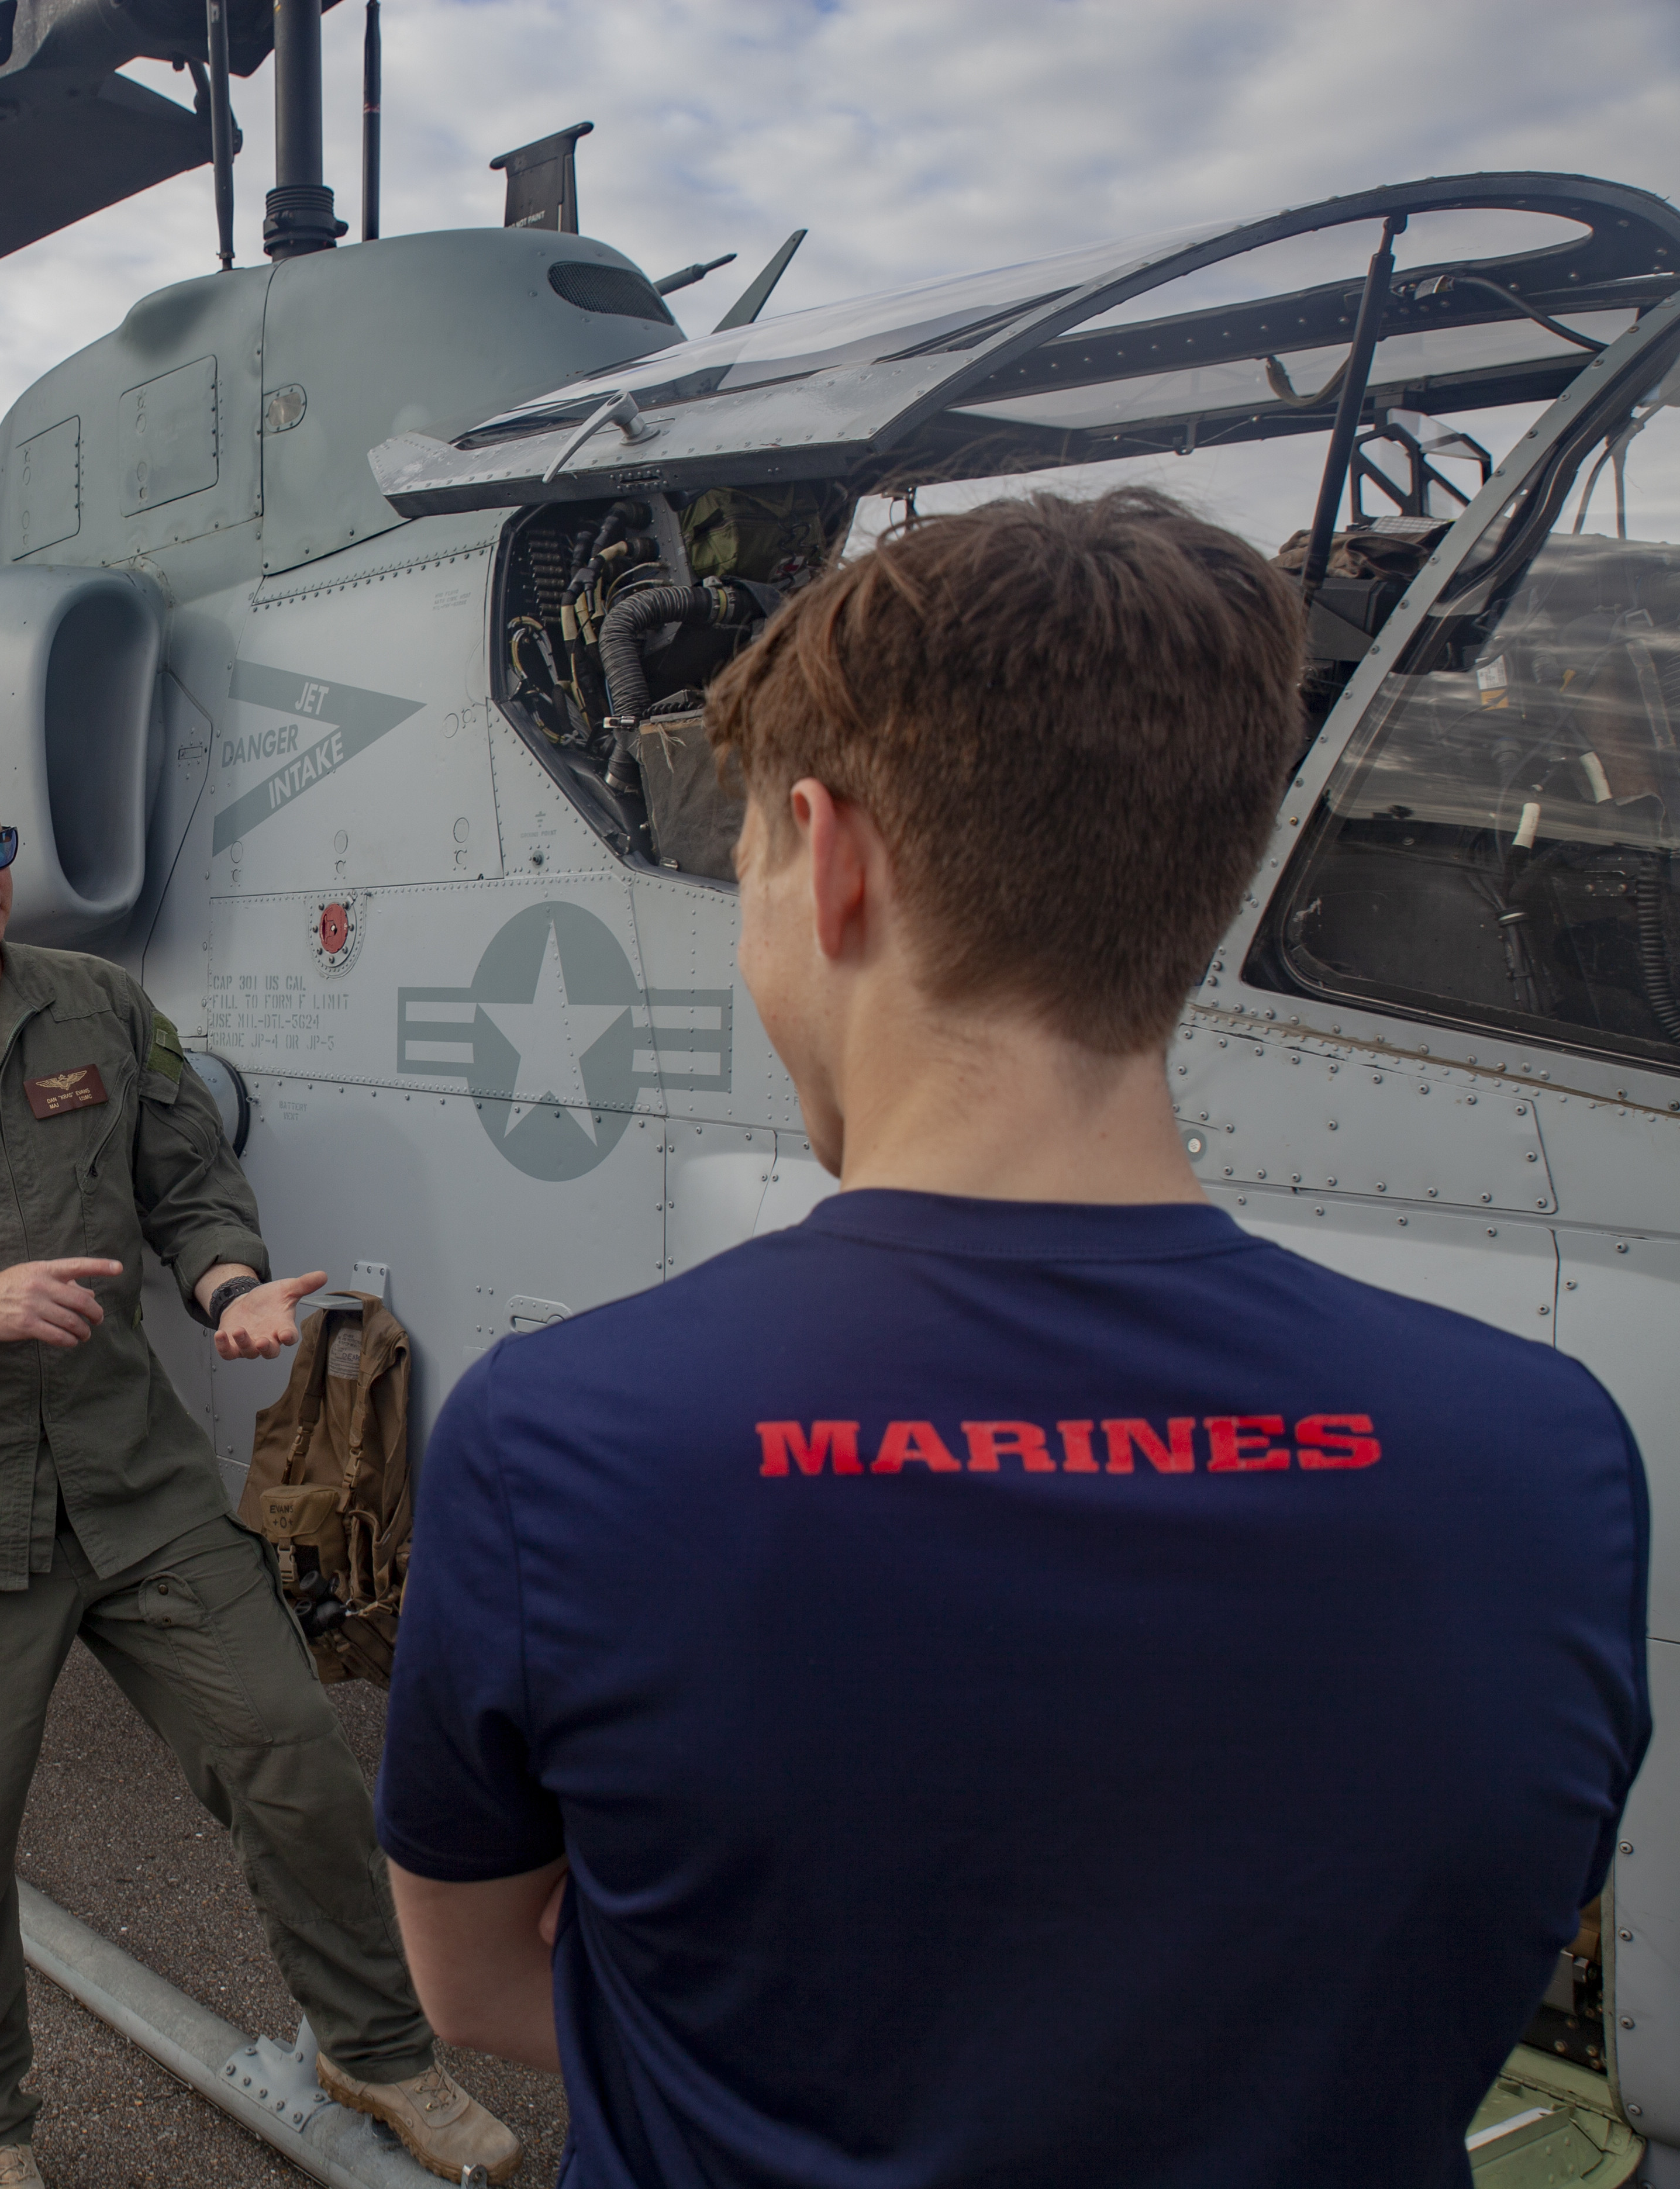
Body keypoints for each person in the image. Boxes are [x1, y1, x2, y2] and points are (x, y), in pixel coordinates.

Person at [374, 488, 1651, 2186]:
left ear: (831, 862)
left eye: (748, 870)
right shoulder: (1544, 1451)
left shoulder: (563, 1438)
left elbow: (472, 1983)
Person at [0, 745, 523, 2188]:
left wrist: (232, 1289)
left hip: (134, 1482)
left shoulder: (95, 1007)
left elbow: (190, 1186)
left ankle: (376, 2046)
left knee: (292, 1758)